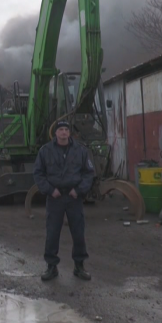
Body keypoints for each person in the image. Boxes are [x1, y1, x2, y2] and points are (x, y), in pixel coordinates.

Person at [33, 120, 95, 281]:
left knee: (78, 233)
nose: (63, 132)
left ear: (69, 133)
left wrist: (79, 190)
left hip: (74, 197)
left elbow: (89, 173)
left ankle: (79, 266)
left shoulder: (80, 150)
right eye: (60, 129)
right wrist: (50, 190)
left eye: (66, 130)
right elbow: (38, 174)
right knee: (52, 233)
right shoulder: (45, 151)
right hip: (55, 198)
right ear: (56, 133)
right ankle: (51, 267)